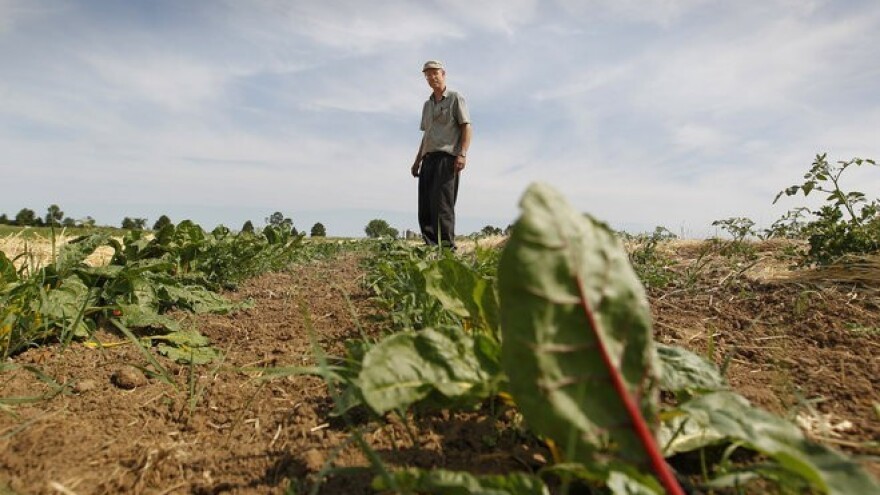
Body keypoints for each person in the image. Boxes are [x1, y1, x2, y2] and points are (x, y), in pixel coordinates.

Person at [411, 60, 472, 250]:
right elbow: (426, 135)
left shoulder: (455, 98)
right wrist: (417, 161)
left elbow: (466, 127)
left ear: (443, 73)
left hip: (447, 159)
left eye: (434, 73)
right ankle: (430, 246)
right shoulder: (427, 105)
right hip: (428, 159)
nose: (431, 77)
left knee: (443, 205)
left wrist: (462, 154)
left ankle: (447, 250)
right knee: (426, 205)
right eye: (427, 75)